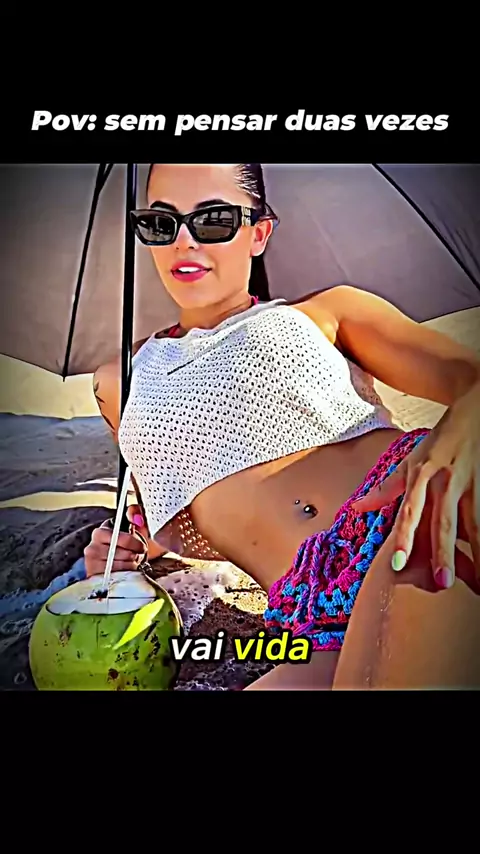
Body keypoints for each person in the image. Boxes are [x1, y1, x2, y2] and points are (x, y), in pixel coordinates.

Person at [85, 163, 480, 690]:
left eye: (214, 219)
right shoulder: (120, 379)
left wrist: (454, 437)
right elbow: (170, 506)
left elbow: (471, 382)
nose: (184, 241)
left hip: (412, 514)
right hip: (307, 606)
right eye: (162, 223)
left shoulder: (324, 313)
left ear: (259, 233)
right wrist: (127, 545)